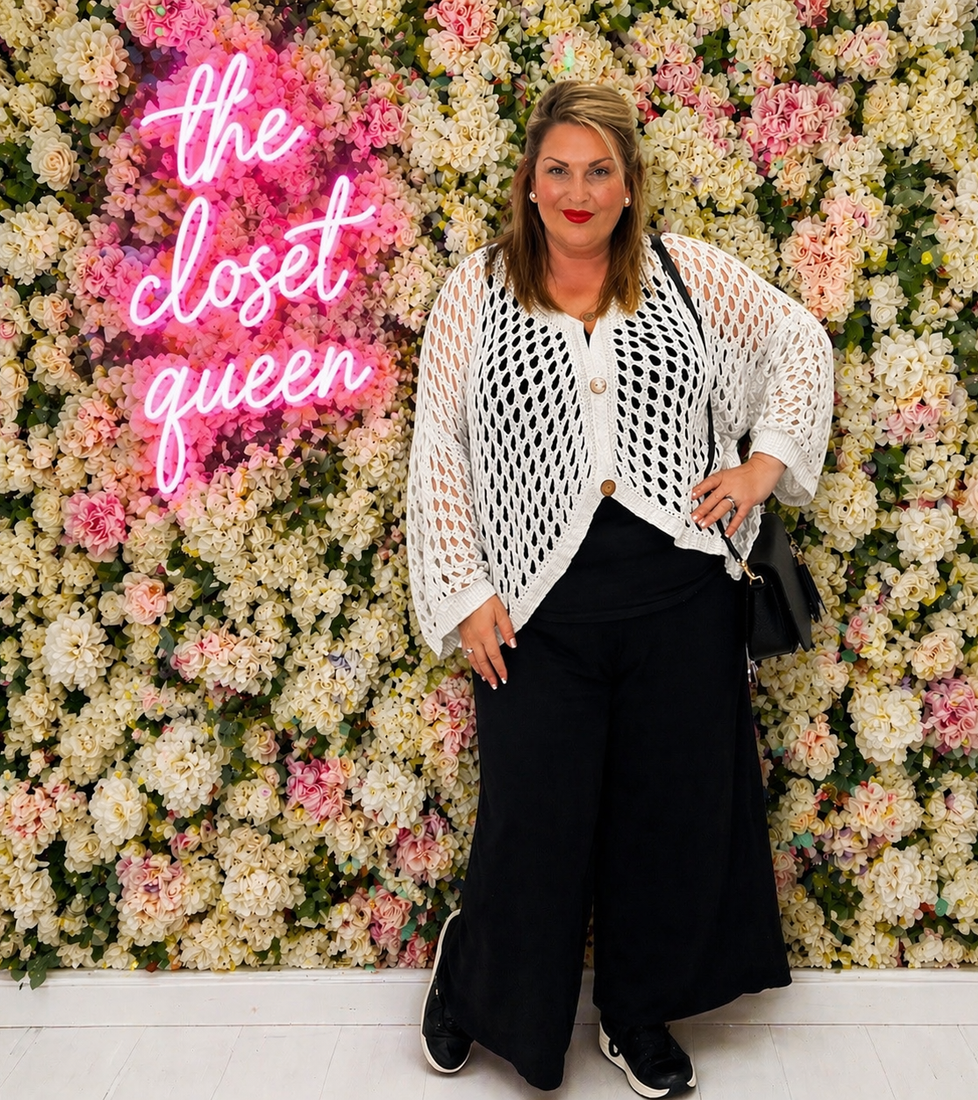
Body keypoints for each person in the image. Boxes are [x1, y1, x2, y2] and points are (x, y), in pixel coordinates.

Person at [407, 80, 833, 1096]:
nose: (578, 190)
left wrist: (762, 465)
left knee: (667, 818)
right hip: (536, 608)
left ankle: (637, 1011)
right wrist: (463, 590)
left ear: (629, 183)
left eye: (599, 170)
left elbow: (799, 342)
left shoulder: (685, 272)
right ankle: (473, 976)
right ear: (529, 180)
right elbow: (441, 445)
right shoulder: (476, 291)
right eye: (558, 169)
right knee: (533, 825)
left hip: (679, 595)